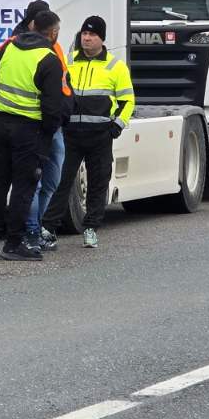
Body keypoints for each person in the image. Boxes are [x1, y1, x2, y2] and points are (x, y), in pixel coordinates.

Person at [0, 10, 71, 261]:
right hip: (29, 130)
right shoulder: (49, 59)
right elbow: (52, 109)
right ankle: (14, 243)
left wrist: (1, 113)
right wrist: (45, 140)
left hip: (1, 124)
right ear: (53, 33)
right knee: (24, 186)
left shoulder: (9, 49)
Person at [42, 15, 133, 248]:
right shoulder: (69, 61)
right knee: (62, 182)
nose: (87, 38)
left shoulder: (115, 66)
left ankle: (91, 228)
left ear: (102, 39)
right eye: (84, 34)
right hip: (71, 133)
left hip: (100, 135)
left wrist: (116, 127)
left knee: (97, 183)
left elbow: (127, 101)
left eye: (92, 34)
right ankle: (48, 228)